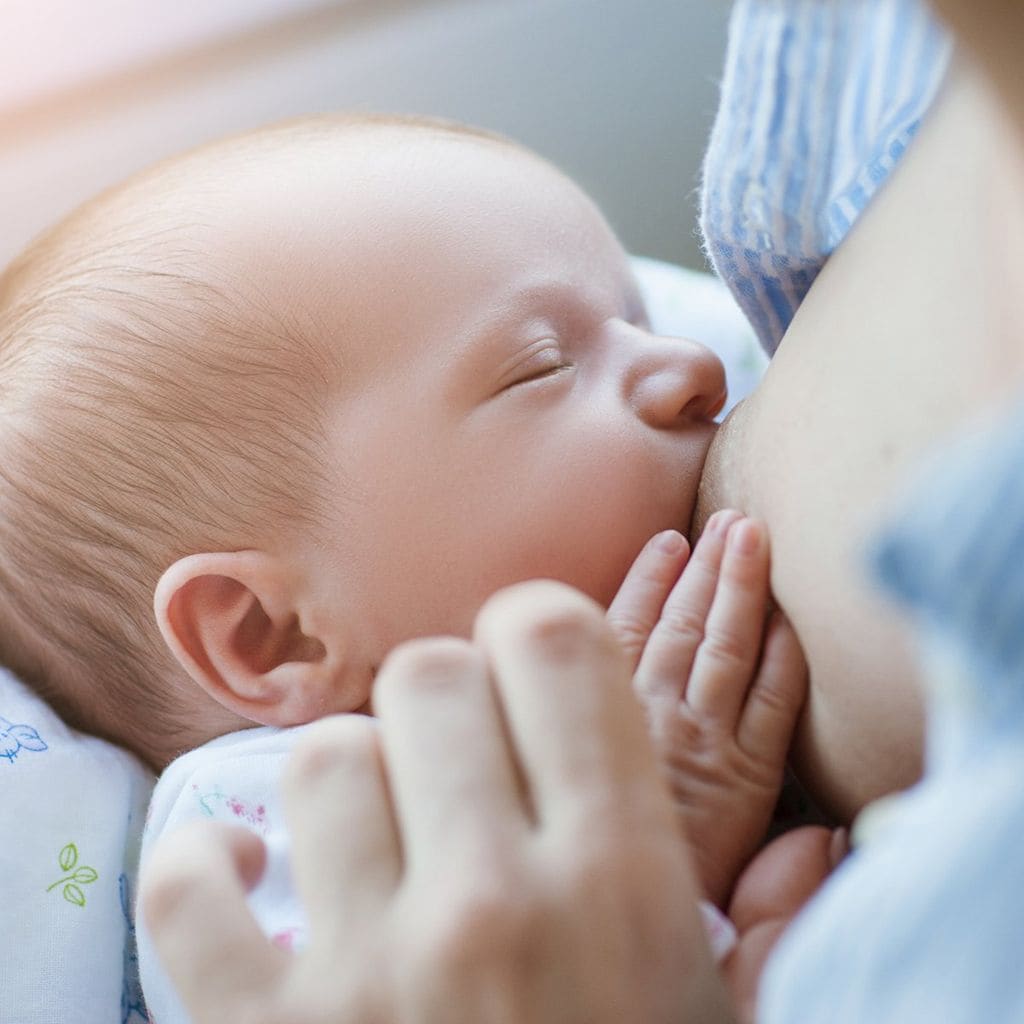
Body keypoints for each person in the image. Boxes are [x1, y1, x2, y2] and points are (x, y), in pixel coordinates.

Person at [142, 0, 1024, 1020]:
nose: (695, 364)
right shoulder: (264, 825)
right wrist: (653, 859)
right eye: (542, 365)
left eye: (640, 318)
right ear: (273, 630)